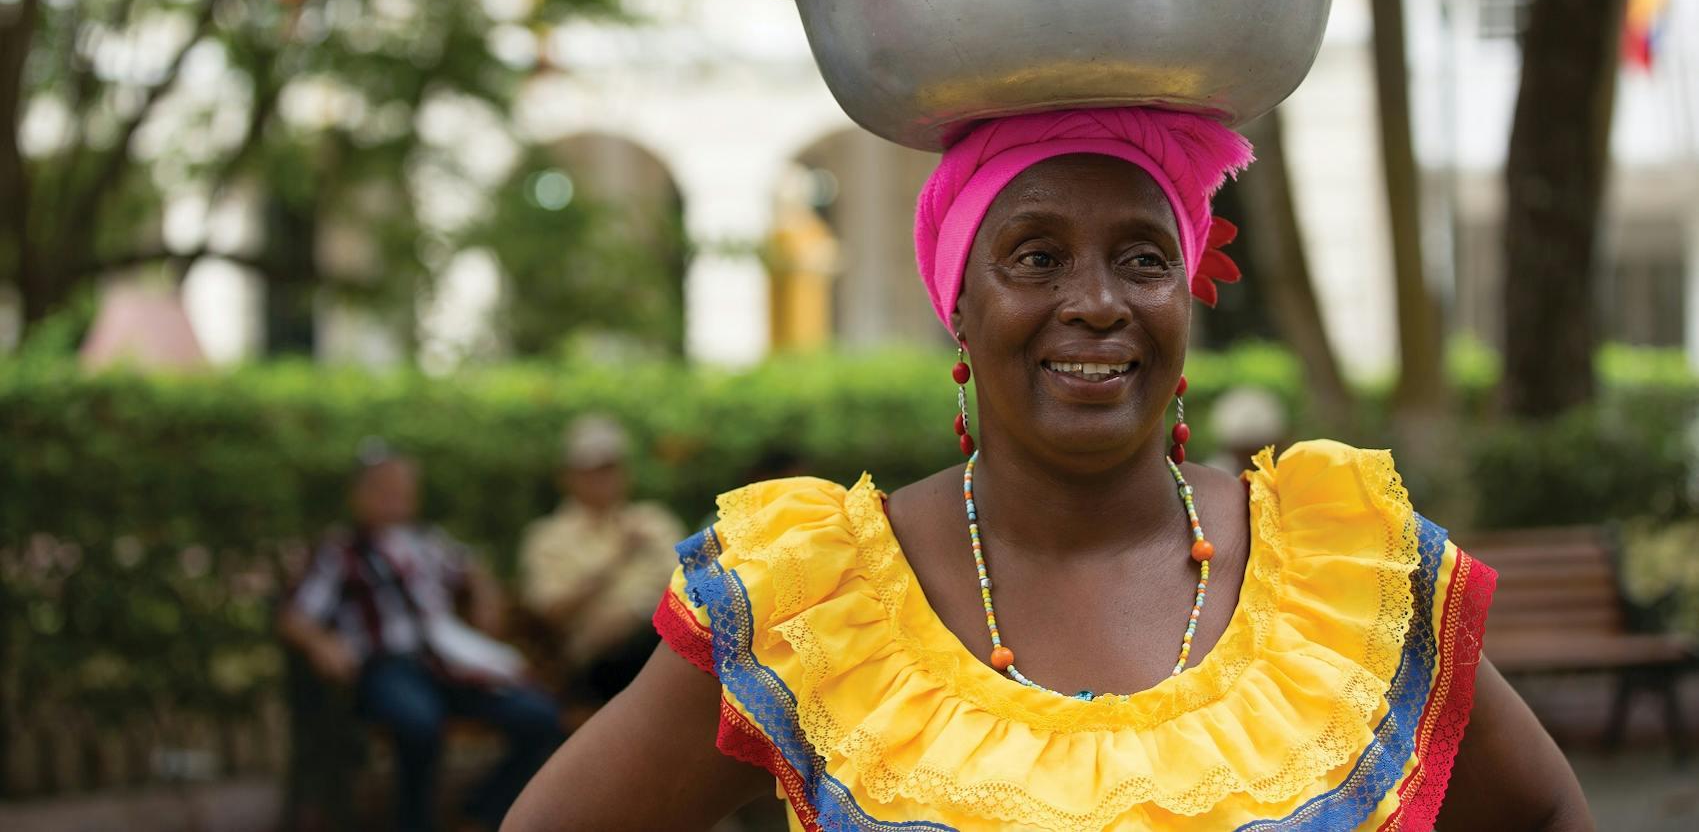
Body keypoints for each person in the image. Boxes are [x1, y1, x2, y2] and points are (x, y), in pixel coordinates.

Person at [503, 109, 1592, 830]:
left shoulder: (1341, 567)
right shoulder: (816, 597)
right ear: (959, 305)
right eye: (1034, 255)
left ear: (1183, 300)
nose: (1096, 300)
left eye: (1141, 256)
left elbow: (1541, 813)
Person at [279, 446, 564, 832]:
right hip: (386, 666)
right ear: (358, 494)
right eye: (384, 487)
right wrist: (322, 644)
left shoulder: (429, 542)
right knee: (418, 723)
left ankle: (479, 813)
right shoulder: (341, 550)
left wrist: (484, 596)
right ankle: (415, 823)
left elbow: (473, 571)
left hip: (449, 664)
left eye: (404, 486)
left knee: (540, 716)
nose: (396, 495)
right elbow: (297, 616)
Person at [516, 414, 686, 711]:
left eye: (610, 468)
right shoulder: (548, 537)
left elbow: (696, 583)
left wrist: (638, 613)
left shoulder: (654, 521)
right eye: (591, 470)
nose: (603, 479)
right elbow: (552, 614)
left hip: (667, 644)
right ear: (568, 476)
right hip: (597, 662)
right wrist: (617, 560)